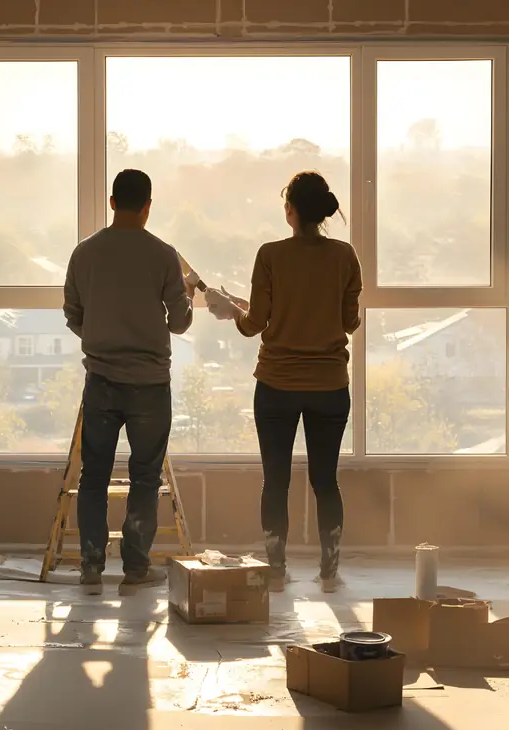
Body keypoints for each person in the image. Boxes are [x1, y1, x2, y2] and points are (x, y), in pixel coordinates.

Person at [205, 171, 362, 594]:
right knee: (325, 480)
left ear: (290, 210)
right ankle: (329, 570)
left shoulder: (271, 254)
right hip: (329, 385)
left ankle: (276, 569)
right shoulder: (345, 256)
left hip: (276, 384)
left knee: (275, 479)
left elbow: (254, 324)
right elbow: (351, 322)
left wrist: (233, 311)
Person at [64, 169, 198, 595]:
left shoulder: (85, 253)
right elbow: (178, 323)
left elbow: (72, 313)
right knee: (144, 477)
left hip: (101, 380)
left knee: (93, 476)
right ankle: (136, 568)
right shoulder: (163, 255)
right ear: (148, 206)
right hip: (149, 385)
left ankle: (90, 567)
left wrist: (101, 337)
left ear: (111, 202)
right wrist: (190, 298)